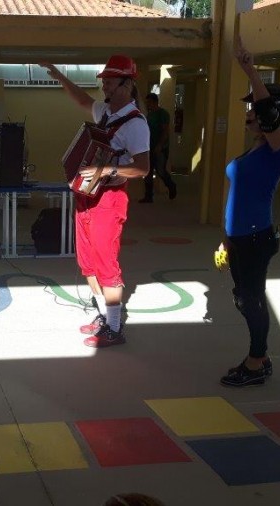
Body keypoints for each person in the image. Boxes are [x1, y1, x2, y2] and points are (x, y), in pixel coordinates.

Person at [40, 55, 150, 348]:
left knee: (105, 263)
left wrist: (107, 170)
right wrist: (59, 76)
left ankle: (114, 328)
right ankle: (104, 316)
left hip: (109, 199)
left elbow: (142, 168)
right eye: (105, 81)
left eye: (111, 82)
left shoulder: (136, 123)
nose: (105, 86)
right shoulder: (105, 112)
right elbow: (81, 99)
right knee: (87, 263)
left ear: (127, 84)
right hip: (87, 197)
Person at [218, 36, 280, 387]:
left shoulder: (279, 144)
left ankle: (255, 363)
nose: (250, 114)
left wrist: (251, 72)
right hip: (240, 237)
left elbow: (269, 117)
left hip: (255, 237)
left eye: (254, 108)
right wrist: (226, 238)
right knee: (244, 298)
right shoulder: (256, 148)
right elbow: (236, 194)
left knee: (250, 300)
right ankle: (260, 357)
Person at [140, 92, 177, 203]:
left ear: (154, 102)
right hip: (149, 147)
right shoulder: (149, 115)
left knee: (160, 170)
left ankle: (171, 185)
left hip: (160, 148)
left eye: (149, 102)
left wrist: (160, 145)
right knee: (148, 172)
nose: (147, 105)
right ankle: (148, 196)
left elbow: (165, 131)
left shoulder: (163, 114)